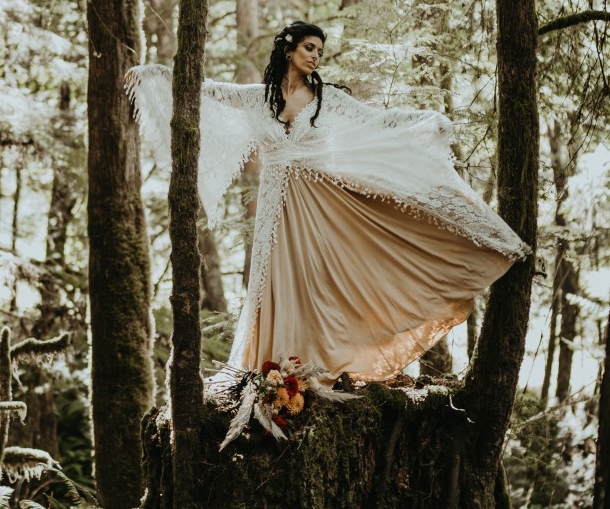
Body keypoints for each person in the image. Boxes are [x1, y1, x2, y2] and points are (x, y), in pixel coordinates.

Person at [127, 21, 529, 384]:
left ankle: (317, 363)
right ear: (288, 50)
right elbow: (207, 90)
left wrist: (425, 121)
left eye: (319, 51)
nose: (316, 56)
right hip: (274, 206)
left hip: (319, 202)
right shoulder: (257, 98)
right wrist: (156, 74)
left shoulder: (326, 98)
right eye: (309, 48)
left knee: (316, 282)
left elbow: (375, 121)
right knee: (274, 283)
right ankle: (275, 371)